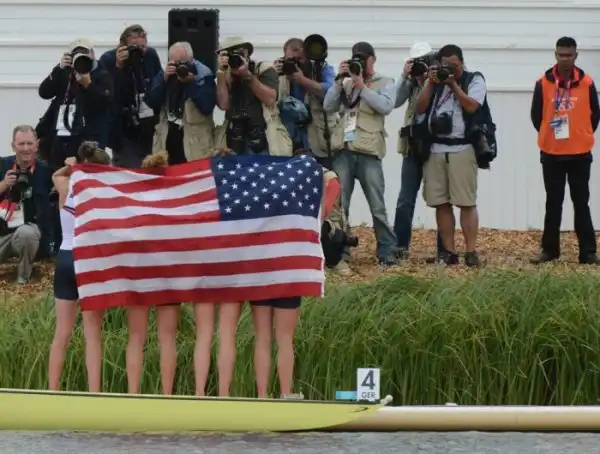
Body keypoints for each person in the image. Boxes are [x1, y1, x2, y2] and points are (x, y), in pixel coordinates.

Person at [323, 41, 399, 269]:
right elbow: (328, 106)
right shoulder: (346, 83)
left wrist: (362, 86)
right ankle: (341, 251)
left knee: (377, 206)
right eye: (356, 57)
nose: (360, 62)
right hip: (344, 150)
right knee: (341, 206)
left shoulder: (385, 82)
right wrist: (339, 81)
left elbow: (386, 106)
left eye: (363, 58)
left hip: (369, 152)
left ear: (372, 59)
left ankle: (387, 250)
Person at [530, 36, 599, 265]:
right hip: (552, 153)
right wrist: (550, 134)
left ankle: (588, 252)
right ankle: (549, 250)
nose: (565, 59)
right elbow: (536, 116)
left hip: (580, 153)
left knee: (581, 203)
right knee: (553, 202)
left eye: (569, 55)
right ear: (555, 55)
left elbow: (595, 115)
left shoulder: (587, 82)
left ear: (576, 56)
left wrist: (581, 134)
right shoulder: (543, 83)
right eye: (561, 55)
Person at [414, 44, 485, 267]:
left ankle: (471, 252)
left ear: (461, 62)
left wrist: (453, 84)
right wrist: (429, 82)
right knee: (441, 203)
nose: (449, 70)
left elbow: (472, 106)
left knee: (466, 202)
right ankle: (449, 252)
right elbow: (419, 109)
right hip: (436, 148)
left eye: (453, 66)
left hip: (462, 147)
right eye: (445, 66)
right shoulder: (434, 83)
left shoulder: (474, 79)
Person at [48, 141, 110, 392]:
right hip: (89, 261)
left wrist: (69, 166)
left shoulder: (66, 185)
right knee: (92, 334)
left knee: (62, 332)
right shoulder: (105, 191)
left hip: (66, 257)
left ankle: (52, 390)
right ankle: (94, 394)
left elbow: (55, 175)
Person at [123, 150, 181, 395]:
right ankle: (166, 394)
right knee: (167, 338)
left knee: (136, 337)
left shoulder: (133, 200)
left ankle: (133, 394)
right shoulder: (176, 201)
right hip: (167, 272)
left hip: (139, 272)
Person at [393, 42, 446, 262]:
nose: (419, 66)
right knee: (405, 199)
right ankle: (399, 246)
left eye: (423, 61)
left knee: (440, 198)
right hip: (412, 145)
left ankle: (444, 249)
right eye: (415, 62)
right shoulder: (411, 83)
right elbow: (394, 101)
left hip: (434, 146)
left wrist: (430, 79)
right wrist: (405, 77)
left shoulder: (438, 80)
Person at [215, 36, 291, 157]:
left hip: (263, 135)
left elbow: (270, 99)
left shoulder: (263, 69)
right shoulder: (225, 74)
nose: (235, 58)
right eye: (229, 54)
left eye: (238, 53)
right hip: (235, 136)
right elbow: (223, 105)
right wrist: (221, 73)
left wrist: (247, 76)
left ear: (246, 53)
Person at [100, 24, 163, 168]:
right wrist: (119, 67)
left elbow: (157, 83)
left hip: (148, 123)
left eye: (142, 47)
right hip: (123, 126)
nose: (139, 51)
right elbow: (108, 93)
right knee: (129, 170)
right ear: (123, 45)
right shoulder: (109, 59)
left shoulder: (150, 55)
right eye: (134, 47)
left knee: (152, 167)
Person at [145, 41, 216, 165]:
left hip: (195, 142)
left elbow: (207, 107)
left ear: (192, 59)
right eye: (176, 63)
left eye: (183, 62)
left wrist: (191, 83)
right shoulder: (166, 73)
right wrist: (163, 79)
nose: (180, 67)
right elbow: (151, 101)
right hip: (168, 138)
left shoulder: (203, 75)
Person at [0, 125, 54, 284]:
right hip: (3, 233)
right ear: (13, 146)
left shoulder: (46, 172)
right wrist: (4, 184)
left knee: (26, 233)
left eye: (30, 143)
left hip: (29, 233)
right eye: (21, 144)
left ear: (37, 145)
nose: (26, 148)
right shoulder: (2, 165)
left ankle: (22, 278)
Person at [274, 36, 339, 163]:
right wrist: (273, 74)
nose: (296, 64)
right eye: (291, 60)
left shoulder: (321, 68)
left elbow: (331, 93)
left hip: (317, 136)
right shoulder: (280, 70)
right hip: (289, 137)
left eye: (300, 59)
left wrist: (302, 80)